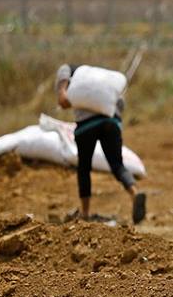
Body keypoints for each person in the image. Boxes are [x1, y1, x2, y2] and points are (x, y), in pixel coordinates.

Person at [56, 64, 146, 224]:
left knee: (84, 168)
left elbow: (63, 100)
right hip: (111, 123)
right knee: (117, 165)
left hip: (86, 126)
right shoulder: (104, 80)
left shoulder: (69, 70)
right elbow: (120, 105)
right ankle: (134, 192)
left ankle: (85, 213)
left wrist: (70, 95)